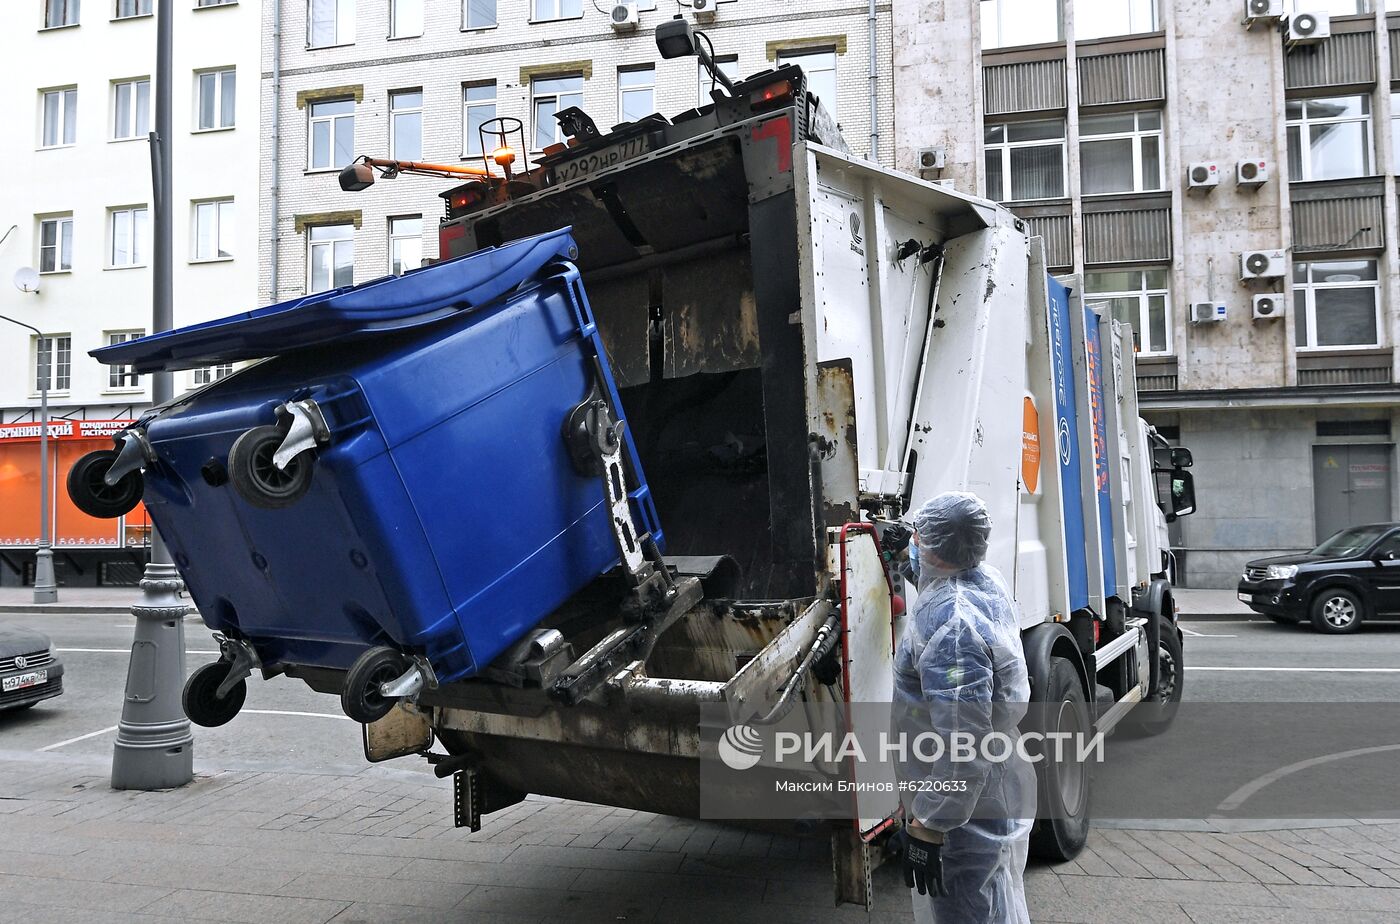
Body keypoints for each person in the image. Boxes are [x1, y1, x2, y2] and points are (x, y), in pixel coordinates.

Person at [889, 491, 1034, 924]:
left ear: (933, 546)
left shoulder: (952, 630)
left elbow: (963, 746)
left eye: (918, 536)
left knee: (971, 911)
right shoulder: (982, 581)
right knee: (999, 904)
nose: (912, 543)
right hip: (991, 787)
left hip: (964, 812)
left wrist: (930, 825)